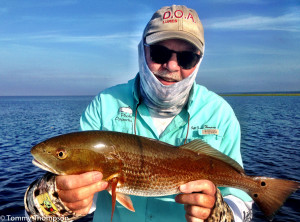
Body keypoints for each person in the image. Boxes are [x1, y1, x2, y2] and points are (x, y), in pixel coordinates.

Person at [25, 5, 254, 222]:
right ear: (142, 50)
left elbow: (242, 201)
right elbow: (36, 215)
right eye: (159, 53)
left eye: (186, 58)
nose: (172, 66)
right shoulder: (105, 105)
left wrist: (220, 213)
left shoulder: (220, 114)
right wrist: (56, 199)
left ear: (199, 62)